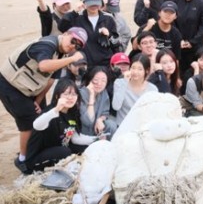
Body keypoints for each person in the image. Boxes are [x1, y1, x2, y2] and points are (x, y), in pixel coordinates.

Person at [0, 27, 88, 173]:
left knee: (44, 115)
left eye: (77, 46)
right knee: (28, 120)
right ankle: (23, 159)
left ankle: (37, 150)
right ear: (65, 34)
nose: (73, 46)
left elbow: (50, 80)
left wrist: (39, 99)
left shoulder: (61, 54)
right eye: (73, 41)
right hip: (9, 84)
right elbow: (44, 65)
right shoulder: (47, 45)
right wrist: (72, 58)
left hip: (30, 88)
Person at [24, 78, 96, 172]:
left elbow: (75, 138)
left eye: (74, 94)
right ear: (57, 96)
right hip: (37, 158)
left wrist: (96, 140)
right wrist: (56, 109)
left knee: (84, 148)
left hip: (59, 150)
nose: (70, 97)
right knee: (65, 152)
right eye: (66, 94)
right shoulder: (51, 111)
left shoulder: (72, 112)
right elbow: (37, 125)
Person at [58, 0, 121, 68]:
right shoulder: (77, 18)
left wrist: (109, 36)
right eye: (90, 4)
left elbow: (116, 45)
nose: (93, 6)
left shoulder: (108, 18)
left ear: (100, 3)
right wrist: (73, 12)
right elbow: (62, 27)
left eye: (96, 4)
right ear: (84, 3)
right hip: (83, 63)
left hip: (105, 64)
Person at [112, 54, 157, 124]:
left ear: (147, 71)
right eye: (133, 68)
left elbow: (152, 112)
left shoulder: (152, 89)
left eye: (140, 69)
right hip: (122, 125)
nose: (135, 72)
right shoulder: (119, 83)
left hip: (142, 126)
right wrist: (125, 82)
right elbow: (116, 106)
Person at [79, 67, 117, 139]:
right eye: (96, 79)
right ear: (90, 79)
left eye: (103, 81)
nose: (99, 83)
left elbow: (105, 113)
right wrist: (91, 96)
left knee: (111, 125)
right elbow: (88, 121)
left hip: (96, 130)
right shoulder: (81, 94)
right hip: (83, 133)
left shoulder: (103, 93)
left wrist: (100, 120)